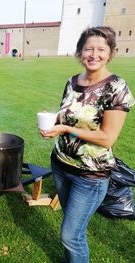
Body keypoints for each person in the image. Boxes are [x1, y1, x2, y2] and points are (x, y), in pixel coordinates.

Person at [40, 26, 134, 263]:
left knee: (71, 235)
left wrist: (66, 129)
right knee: (70, 229)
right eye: (88, 49)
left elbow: (107, 137)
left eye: (101, 49)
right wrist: (54, 124)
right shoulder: (72, 82)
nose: (94, 54)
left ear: (110, 53)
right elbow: (68, 115)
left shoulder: (116, 88)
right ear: (80, 52)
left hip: (90, 176)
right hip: (61, 165)